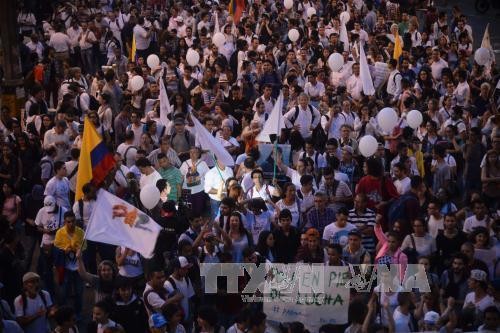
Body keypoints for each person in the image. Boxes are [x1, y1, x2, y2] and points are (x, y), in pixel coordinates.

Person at [54, 211, 85, 318]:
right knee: (63, 293)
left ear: (75, 221)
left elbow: (85, 247)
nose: (71, 224)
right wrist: (64, 251)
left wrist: (79, 251)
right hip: (65, 268)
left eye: (73, 221)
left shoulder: (80, 232)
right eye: (68, 222)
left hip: (78, 269)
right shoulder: (59, 233)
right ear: (64, 222)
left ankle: (78, 313)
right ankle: (63, 315)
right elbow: (56, 248)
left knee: (79, 292)